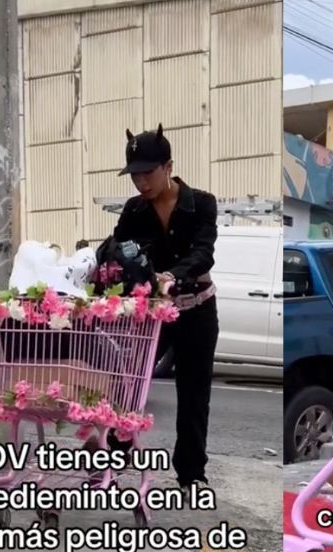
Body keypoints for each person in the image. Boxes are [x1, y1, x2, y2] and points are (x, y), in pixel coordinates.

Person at [108, 125, 220, 493]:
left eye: (148, 172)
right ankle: (115, 454)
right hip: (152, 313)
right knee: (128, 381)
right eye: (135, 174)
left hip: (196, 308)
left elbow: (205, 251)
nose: (142, 182)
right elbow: (115, 248)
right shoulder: (134, 210)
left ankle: (191, 475)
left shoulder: (201, 203)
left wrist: (173, 274)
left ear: (168, 166)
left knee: (193, 394)